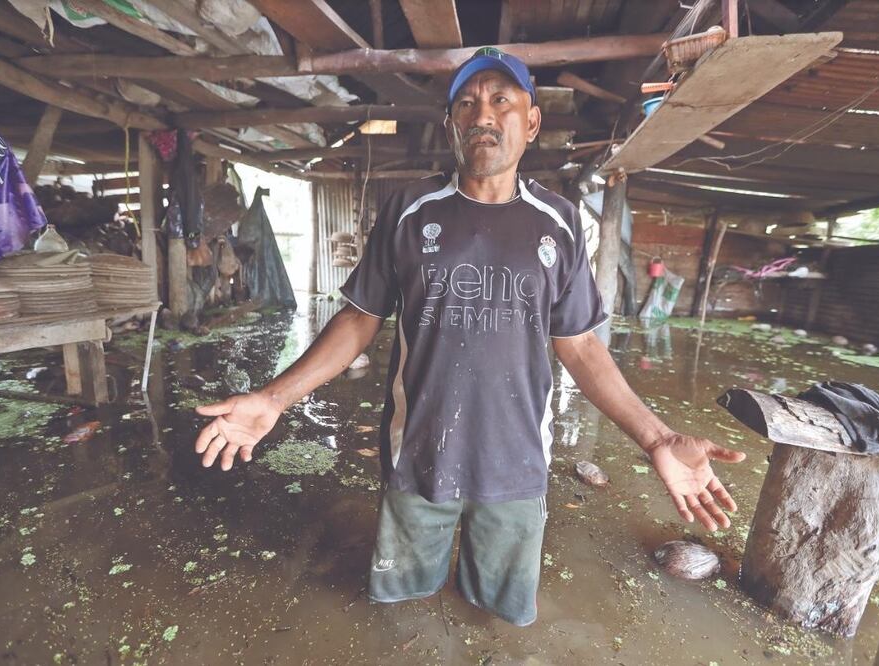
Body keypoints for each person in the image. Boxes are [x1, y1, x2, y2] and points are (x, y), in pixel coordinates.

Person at [194, 47, 745, 627]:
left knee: (502, 618)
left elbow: (580, 346)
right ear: (451, 125)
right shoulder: (410, 210)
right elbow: (359, 319)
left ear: (530, 123)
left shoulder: (558, 223)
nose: (483, 114)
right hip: (418, 458)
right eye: (467, 103)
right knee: (400, 608)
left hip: (518, 467)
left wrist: (657, 438)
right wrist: (273, 398)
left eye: (501, 100)